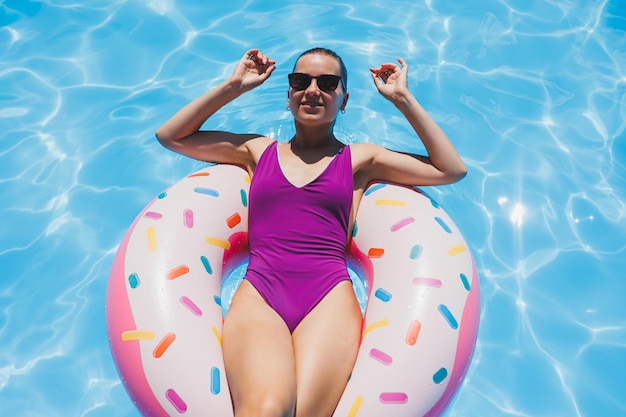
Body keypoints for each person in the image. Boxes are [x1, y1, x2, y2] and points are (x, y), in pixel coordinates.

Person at [155, 47, 467, 417]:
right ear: (288, 95)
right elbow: (171, 135)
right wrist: (234, 86)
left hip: (328, 298)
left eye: (328, 82)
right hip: (261, 292)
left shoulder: (359, 160)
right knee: (267, 409)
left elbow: (450, 169)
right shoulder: (257, 151)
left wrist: (402, 98)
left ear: (343, 99)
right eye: (300, 81)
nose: (313, 90)